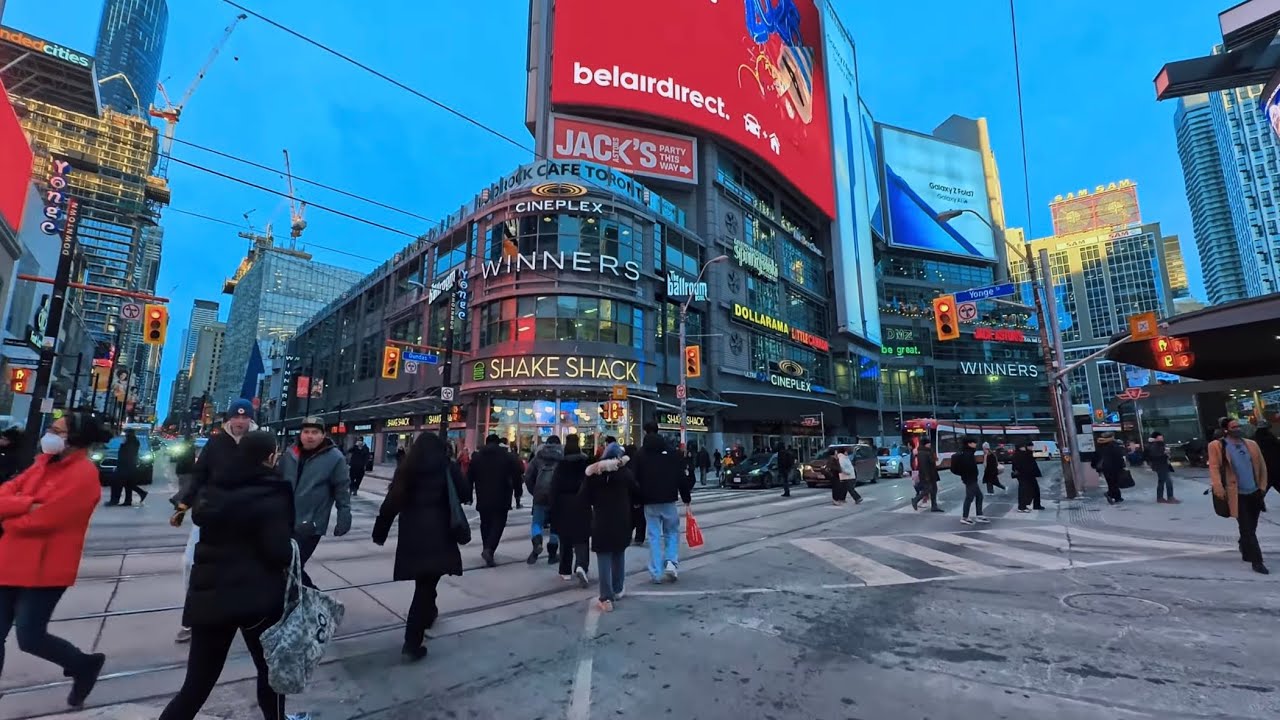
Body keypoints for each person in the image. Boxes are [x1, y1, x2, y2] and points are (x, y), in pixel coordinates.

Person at [158, 431, 293, 720]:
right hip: (256, 599)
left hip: (210, 598)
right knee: (271, 674)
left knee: (195, 686)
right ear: (270, 457)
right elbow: (278, 551)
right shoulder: (272, 492)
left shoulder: (214, 490)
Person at [0, 411, 110, 708]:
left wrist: (9, 519)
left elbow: (46, 519)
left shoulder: (84, 475)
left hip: (46, 568)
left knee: (30, 637)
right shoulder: (41, 464)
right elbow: (4, 494)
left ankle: (84, 665)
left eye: (57, 430)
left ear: (74, 439)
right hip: (9, 561)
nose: (49, 434)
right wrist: (25, 505)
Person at [372, 432, 472, 661]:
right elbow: (465, 493)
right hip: (440, 534)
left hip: (413, 535)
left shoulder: (407, 469)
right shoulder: (447, 467)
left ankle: (428, 615)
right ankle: (412, 641)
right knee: (425, 586)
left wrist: (380, 532)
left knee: (425, 582)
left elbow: (391, 503)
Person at [170, 399, 257, 644]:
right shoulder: (216, 442)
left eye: (245, 417)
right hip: (210, 512)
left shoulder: (259, 443)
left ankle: (240, 615)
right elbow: (199, 476)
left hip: (244, 516)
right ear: (229, 418)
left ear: (250, 418)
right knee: (190, 563)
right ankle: (191, 620)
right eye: (236, 417)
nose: (240, 422)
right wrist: (183, 505)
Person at [277, 416, 352, 589]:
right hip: (284, 520)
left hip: (311, 524)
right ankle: (299, 603)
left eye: (315, 432)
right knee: (285, 566)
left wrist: (344, 516)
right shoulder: (290, 453)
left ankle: (316, 600)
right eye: (306, 432)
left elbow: (342, 489)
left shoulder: (335, 458)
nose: (310, 436)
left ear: (323, 435)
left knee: (293, 566)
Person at [633, 421, 693, 583]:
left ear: (645, 432)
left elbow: (635, 479)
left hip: (649, 501)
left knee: (653, 536)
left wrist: (636, 500)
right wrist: (686, 497)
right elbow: (681, 476)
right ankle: (671, 563)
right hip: (668, 499)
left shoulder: (640, 454)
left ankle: (656, 572)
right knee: (672, 532)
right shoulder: (672, 453)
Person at [1209, 417, 1269, 575]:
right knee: (1247, 528)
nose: (1238, 429)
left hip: (1254, 492)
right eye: (1234, 426)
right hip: (1236, 494)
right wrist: (1218, 487)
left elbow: (1262, 466)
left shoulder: (1251, 444)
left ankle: (1244, 545)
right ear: (1226, 430)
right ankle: (1257, 561)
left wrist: (1262, 487)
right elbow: (1214, 468)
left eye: (1238, 426)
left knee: (1252, 526)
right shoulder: (1217, 446)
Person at [582, 442, 636, 611]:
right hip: (621, 519)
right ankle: (618, 588)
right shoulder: (625, 473)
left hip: (601, 520)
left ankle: (606, 597)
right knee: (619, 552)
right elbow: (636, 491)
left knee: (604, 556)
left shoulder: (593, 475)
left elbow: (584, 497)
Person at [468, 434, 523, 567]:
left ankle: (486, 546)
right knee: (498, 523)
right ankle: (490, 549)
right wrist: (517, 493)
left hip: (483, 495)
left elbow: (469, 477)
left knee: (485, 523)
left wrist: (468, 495)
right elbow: (517, 474)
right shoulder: (507, 457)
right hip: (502, 495)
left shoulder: (477, 457)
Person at [550, 434, 592, 586]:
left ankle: (565, 570)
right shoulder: (585, 463)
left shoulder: (561, 465)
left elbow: (553, 488)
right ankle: (581, 565)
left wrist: (552, 507)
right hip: (582, 503)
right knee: (582, 537)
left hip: (563, 504)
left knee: (565, 538)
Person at [523, 436, 564, 565]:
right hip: (557, 496)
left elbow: (528, 476)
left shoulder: (538, 457)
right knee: (556, 526)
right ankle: (552, 555)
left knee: (537, 523)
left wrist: (534, 491)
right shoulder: (563, 458)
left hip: (540, 494)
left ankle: (537, 541)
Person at [949, 437, 987, 525]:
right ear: (969, 444)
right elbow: (968, 467)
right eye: (974, 442)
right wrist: (965, 475)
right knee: (969, 497)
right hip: (969, 478)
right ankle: (965, 517)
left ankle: (979, 514)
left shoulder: (968, 452)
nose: (975, 444)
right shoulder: (967, 454)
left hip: (971, 478)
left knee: (979, 496)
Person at [109, 428, 147, 506]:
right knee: (128, 484)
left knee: (120, 483)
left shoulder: (130, 442)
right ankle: (130, 499)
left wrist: (120, 466)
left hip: (126, 467)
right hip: (129, 466)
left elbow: (126, 455)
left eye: (126, 433)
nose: (125, 435)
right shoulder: (131, 441)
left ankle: (116, 500)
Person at [1092, 432, 1127, 505]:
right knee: (1114, 482)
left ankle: (1117, 497)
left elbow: (1095, 456)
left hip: (1104, 467)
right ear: (1111, 437)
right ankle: (1110, 494)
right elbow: (1119, 456)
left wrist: (1095, 466)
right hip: (1114, 467)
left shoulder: (1099, 445)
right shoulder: (1113, 445)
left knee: (1111, 482)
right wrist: (1122, 465)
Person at [1011, 440, 1044, 512]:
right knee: (1024, 491)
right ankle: (1022, 507)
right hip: (1023, 476)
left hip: (1028, 475)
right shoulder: (1019, 454)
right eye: (1023, 447)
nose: (1024, 448)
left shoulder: (1025, 453)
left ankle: (1032, 505)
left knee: (1033, 490)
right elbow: (1019, 466)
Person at [1145, 431, 1177, 504]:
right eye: (1160, 437)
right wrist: (1165, 454)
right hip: (1160, 465)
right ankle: (1170, 497)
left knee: (1161, 481)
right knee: (1168, 481)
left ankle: (1160, 497)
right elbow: (1156, 455)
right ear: (1156, 438)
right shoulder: (1155, 445)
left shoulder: (1156, 444)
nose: (1162, 438)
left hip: (1161, 465)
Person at [911, 438, 942, 512]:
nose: (930, 444)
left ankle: (934, 506)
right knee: (928, 489)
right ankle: (915, 500)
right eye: (928, 443)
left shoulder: (928, 451)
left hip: (932, 473)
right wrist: (926, 476)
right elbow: (923, 465)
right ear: (925, 444)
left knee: (934, 489)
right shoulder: (922, 453)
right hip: (927, 475)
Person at [1254, 421, 1280, 501]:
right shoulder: (1272, 438)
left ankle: (1258, 502)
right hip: (1275, 467)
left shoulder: (1253, 440)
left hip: (1262, 467)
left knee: (1264, 486)